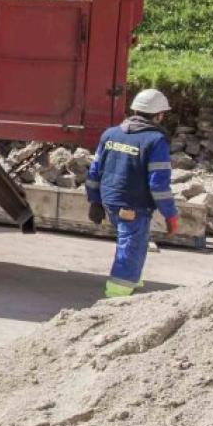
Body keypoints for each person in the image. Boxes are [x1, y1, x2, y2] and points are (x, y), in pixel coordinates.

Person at [83, 88, 179, 299]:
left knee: (137, 241)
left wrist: (95, 201)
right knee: (131, 246)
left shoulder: (111, 134)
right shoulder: (155, 141)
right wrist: (170, 214)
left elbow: (94, 172)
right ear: (159, 115)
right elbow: (159, 186)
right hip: (133, 204)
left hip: (110, 201)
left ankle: (133, 279)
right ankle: (117, 294)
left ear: (134, 110)